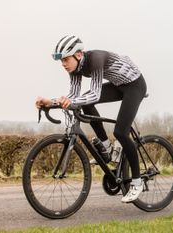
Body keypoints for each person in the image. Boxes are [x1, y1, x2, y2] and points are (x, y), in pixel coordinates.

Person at [35, 35, 147, 203]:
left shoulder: (95, 59)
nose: (63, 64)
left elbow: (94, 94)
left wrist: (69, 101)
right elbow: (73, 96)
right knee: (84, 102)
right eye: (61, 61)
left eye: (65, 59)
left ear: (78, 55)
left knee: (121, 133)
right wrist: (50, 102)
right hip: (118, 85)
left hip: (134, 85)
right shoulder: (75, 69)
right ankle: (107, 149)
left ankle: (137, 182)